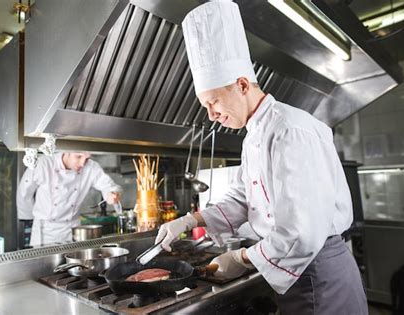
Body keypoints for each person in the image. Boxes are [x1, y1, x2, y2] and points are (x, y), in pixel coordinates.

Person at [155, 1, 368, 313]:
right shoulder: (256, 133)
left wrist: (241, 258)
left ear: (242, 85)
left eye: (213, 101)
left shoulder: (289, 130)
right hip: (297, 271)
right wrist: (190, 220)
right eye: (205, 106)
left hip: (318, 274)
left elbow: (301, 232)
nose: (212, 115)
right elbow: (244, 198)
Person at [17, 152, 121, 246]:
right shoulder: (44, 163)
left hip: (73, 229)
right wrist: (28, 218)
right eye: (78, 157)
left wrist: (112, 194)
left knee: (73, 263)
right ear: (66, 152)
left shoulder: (92, 167)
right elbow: (24, 192)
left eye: (87, 159)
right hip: (45, 230)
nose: (82, 163)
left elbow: (110, 187)